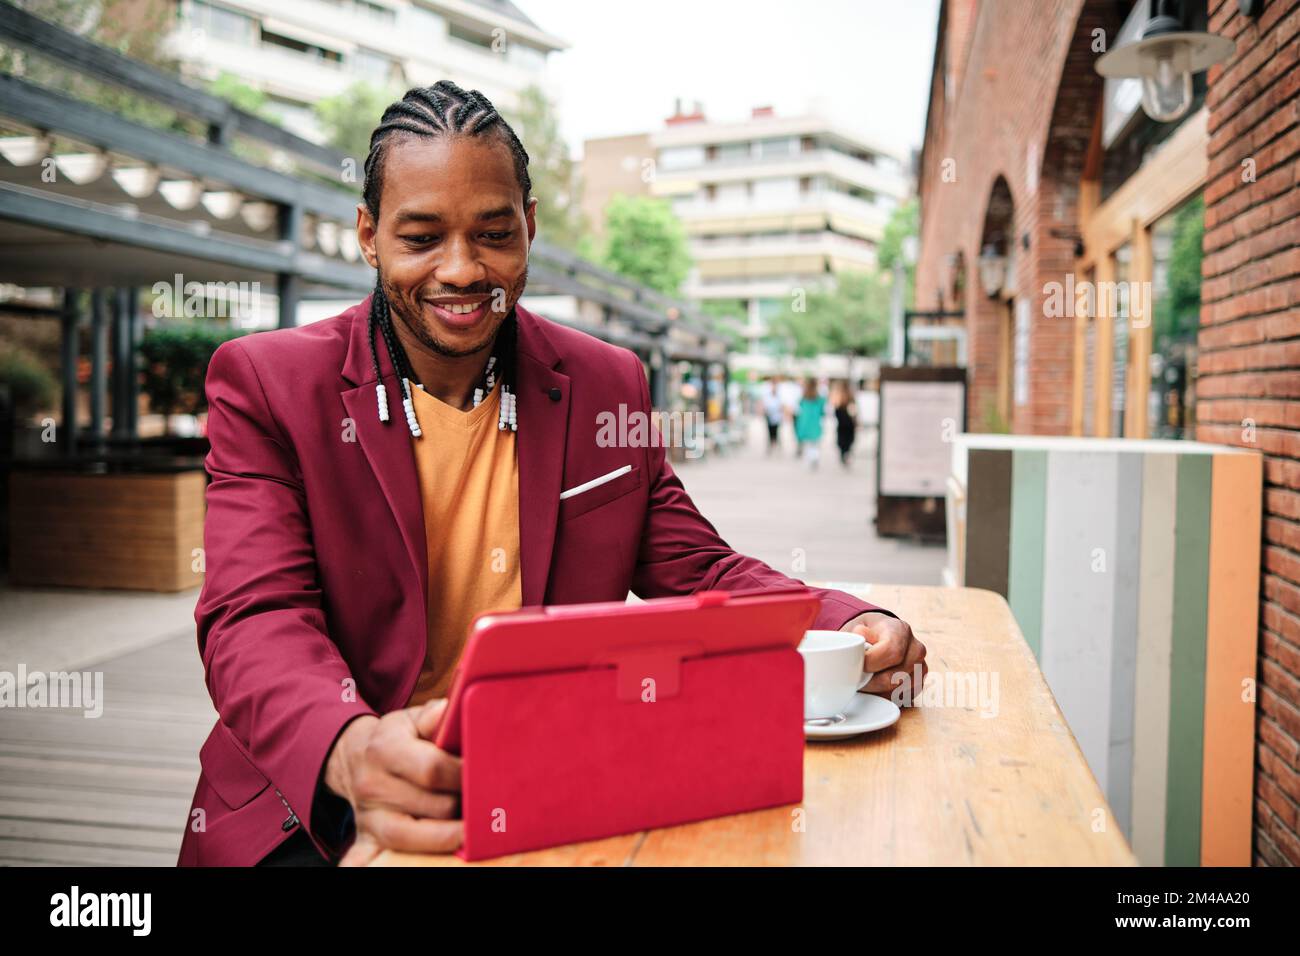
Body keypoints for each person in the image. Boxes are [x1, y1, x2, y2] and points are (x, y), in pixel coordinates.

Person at [176, 81, 925, 868]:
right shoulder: (265, 383)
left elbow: (697, 565)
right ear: (368, 236)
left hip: (536, 791)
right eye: (421, 237)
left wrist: (842, 618)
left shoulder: (608, 384)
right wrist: (349, 748)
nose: (461, 270)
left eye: (493, 234)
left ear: (529, 227)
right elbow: (252, 615)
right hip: (314, 807)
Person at [794, 377, 826, 470]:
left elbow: (799, 409)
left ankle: (812, 458)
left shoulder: (803, 397)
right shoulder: (819, 399)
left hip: (805, 423)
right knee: (814, 443)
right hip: (815, 423)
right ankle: (814, 457)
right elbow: (822, 412)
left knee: (809, 443)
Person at [832, 381, 858, 468]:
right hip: (849, 425)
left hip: (842, 425)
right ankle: (846, 455)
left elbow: (836, 412)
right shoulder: (850, 398)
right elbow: (854, 412)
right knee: (848, 442)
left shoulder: (839, 398)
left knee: (842, 442)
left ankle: (844, 456)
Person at [761, 377, 784, 454]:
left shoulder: (780, 393)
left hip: (777, 415)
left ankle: (776, 444)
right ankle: (771, 445)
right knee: (770, 431)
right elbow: (764, 403)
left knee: (776, 431)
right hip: (769, 414)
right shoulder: (767, 392)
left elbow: (782, 404)